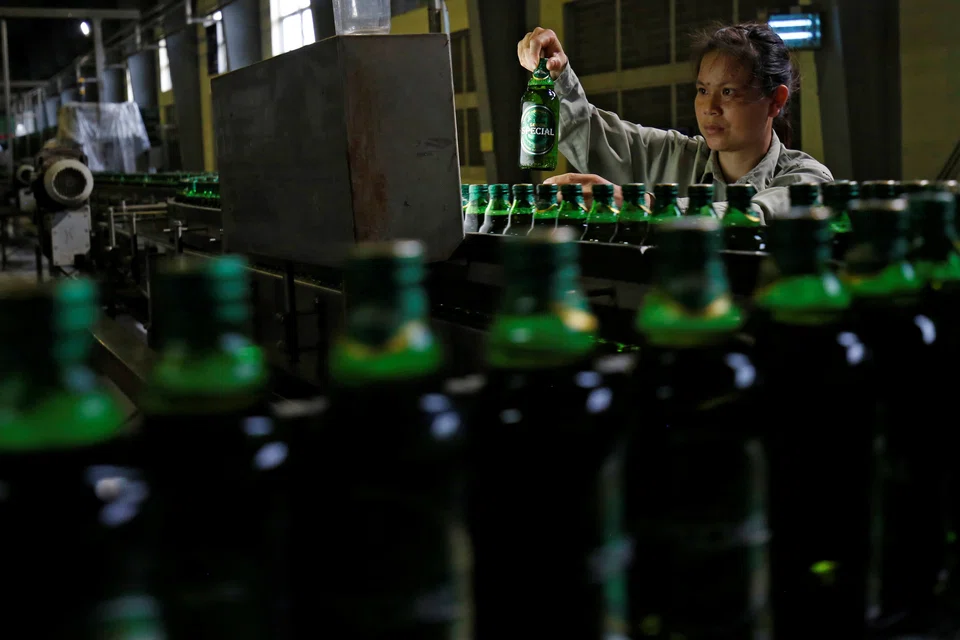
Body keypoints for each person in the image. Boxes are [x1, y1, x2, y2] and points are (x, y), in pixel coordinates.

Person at [517, 22, 833, 221]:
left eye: (727, 91)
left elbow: (759, 214)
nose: (710, 107)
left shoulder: (807, 178)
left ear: (775, 101)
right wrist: (556, 74)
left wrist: (652, 206)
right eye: (702, 90)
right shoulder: (673, 156)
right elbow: (589, 131)